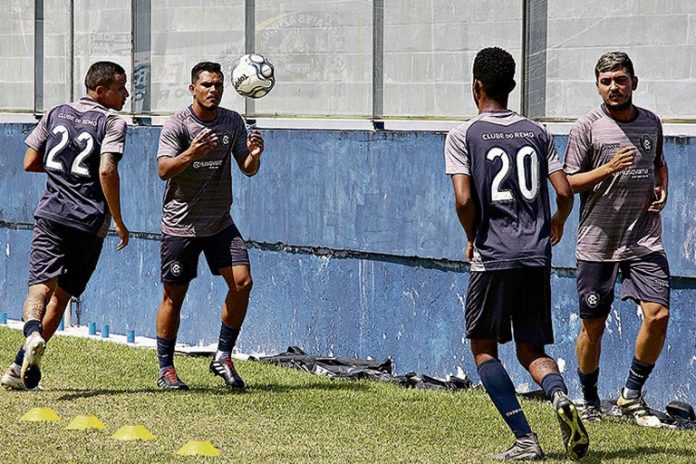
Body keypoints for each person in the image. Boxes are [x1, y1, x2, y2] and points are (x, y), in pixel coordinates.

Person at [445, 47, 588, 461]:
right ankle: (560, 396)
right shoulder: (538, 131)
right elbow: (564, 191)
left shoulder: (463, 134)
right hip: (535, 255)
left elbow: (463, 197)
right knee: (532, 348)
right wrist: (557, 222)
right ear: (512, 87)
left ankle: (526, 439)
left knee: (484, 347)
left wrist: (472, 234)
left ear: (476, 86)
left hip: (493, 255)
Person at [0, 61, 130, 390]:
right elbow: (106, 171)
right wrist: (118, 219)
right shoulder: (113, 121)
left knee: (39, 289)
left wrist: (65, 171)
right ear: (100, 91)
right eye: (120, 88)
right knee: (63, 296)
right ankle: (18, 366)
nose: (126, 94)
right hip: (89, 223)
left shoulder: (56, 112)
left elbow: (30, 161)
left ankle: (30, 337)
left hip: (52, 215)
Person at [564, 51, 670, 427]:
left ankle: (630, 395)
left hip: (644, 240)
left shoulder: (652, 123)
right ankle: (590, 399)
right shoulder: (586, 127)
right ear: (598, 86)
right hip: (598, 243)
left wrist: (663, 187)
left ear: (634, 83)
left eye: (620, 80)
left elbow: (659, 163)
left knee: (658, 315)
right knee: (594, 325)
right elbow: (567, 182)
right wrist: (607, 168)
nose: (614, 87)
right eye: (606, 81)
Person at [154, 61, 264, 390]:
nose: (213, 90)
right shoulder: (177, 125)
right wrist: (192, 152)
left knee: (242, 283)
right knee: (174, 296)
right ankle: (166, 369)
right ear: (192, 89)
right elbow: (164, 170)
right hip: (181, 226)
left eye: (217, 85)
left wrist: (255, 154)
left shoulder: (232, 121)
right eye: (206, 85)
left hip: (219, 223)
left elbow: (247, 168)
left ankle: (223, 356)